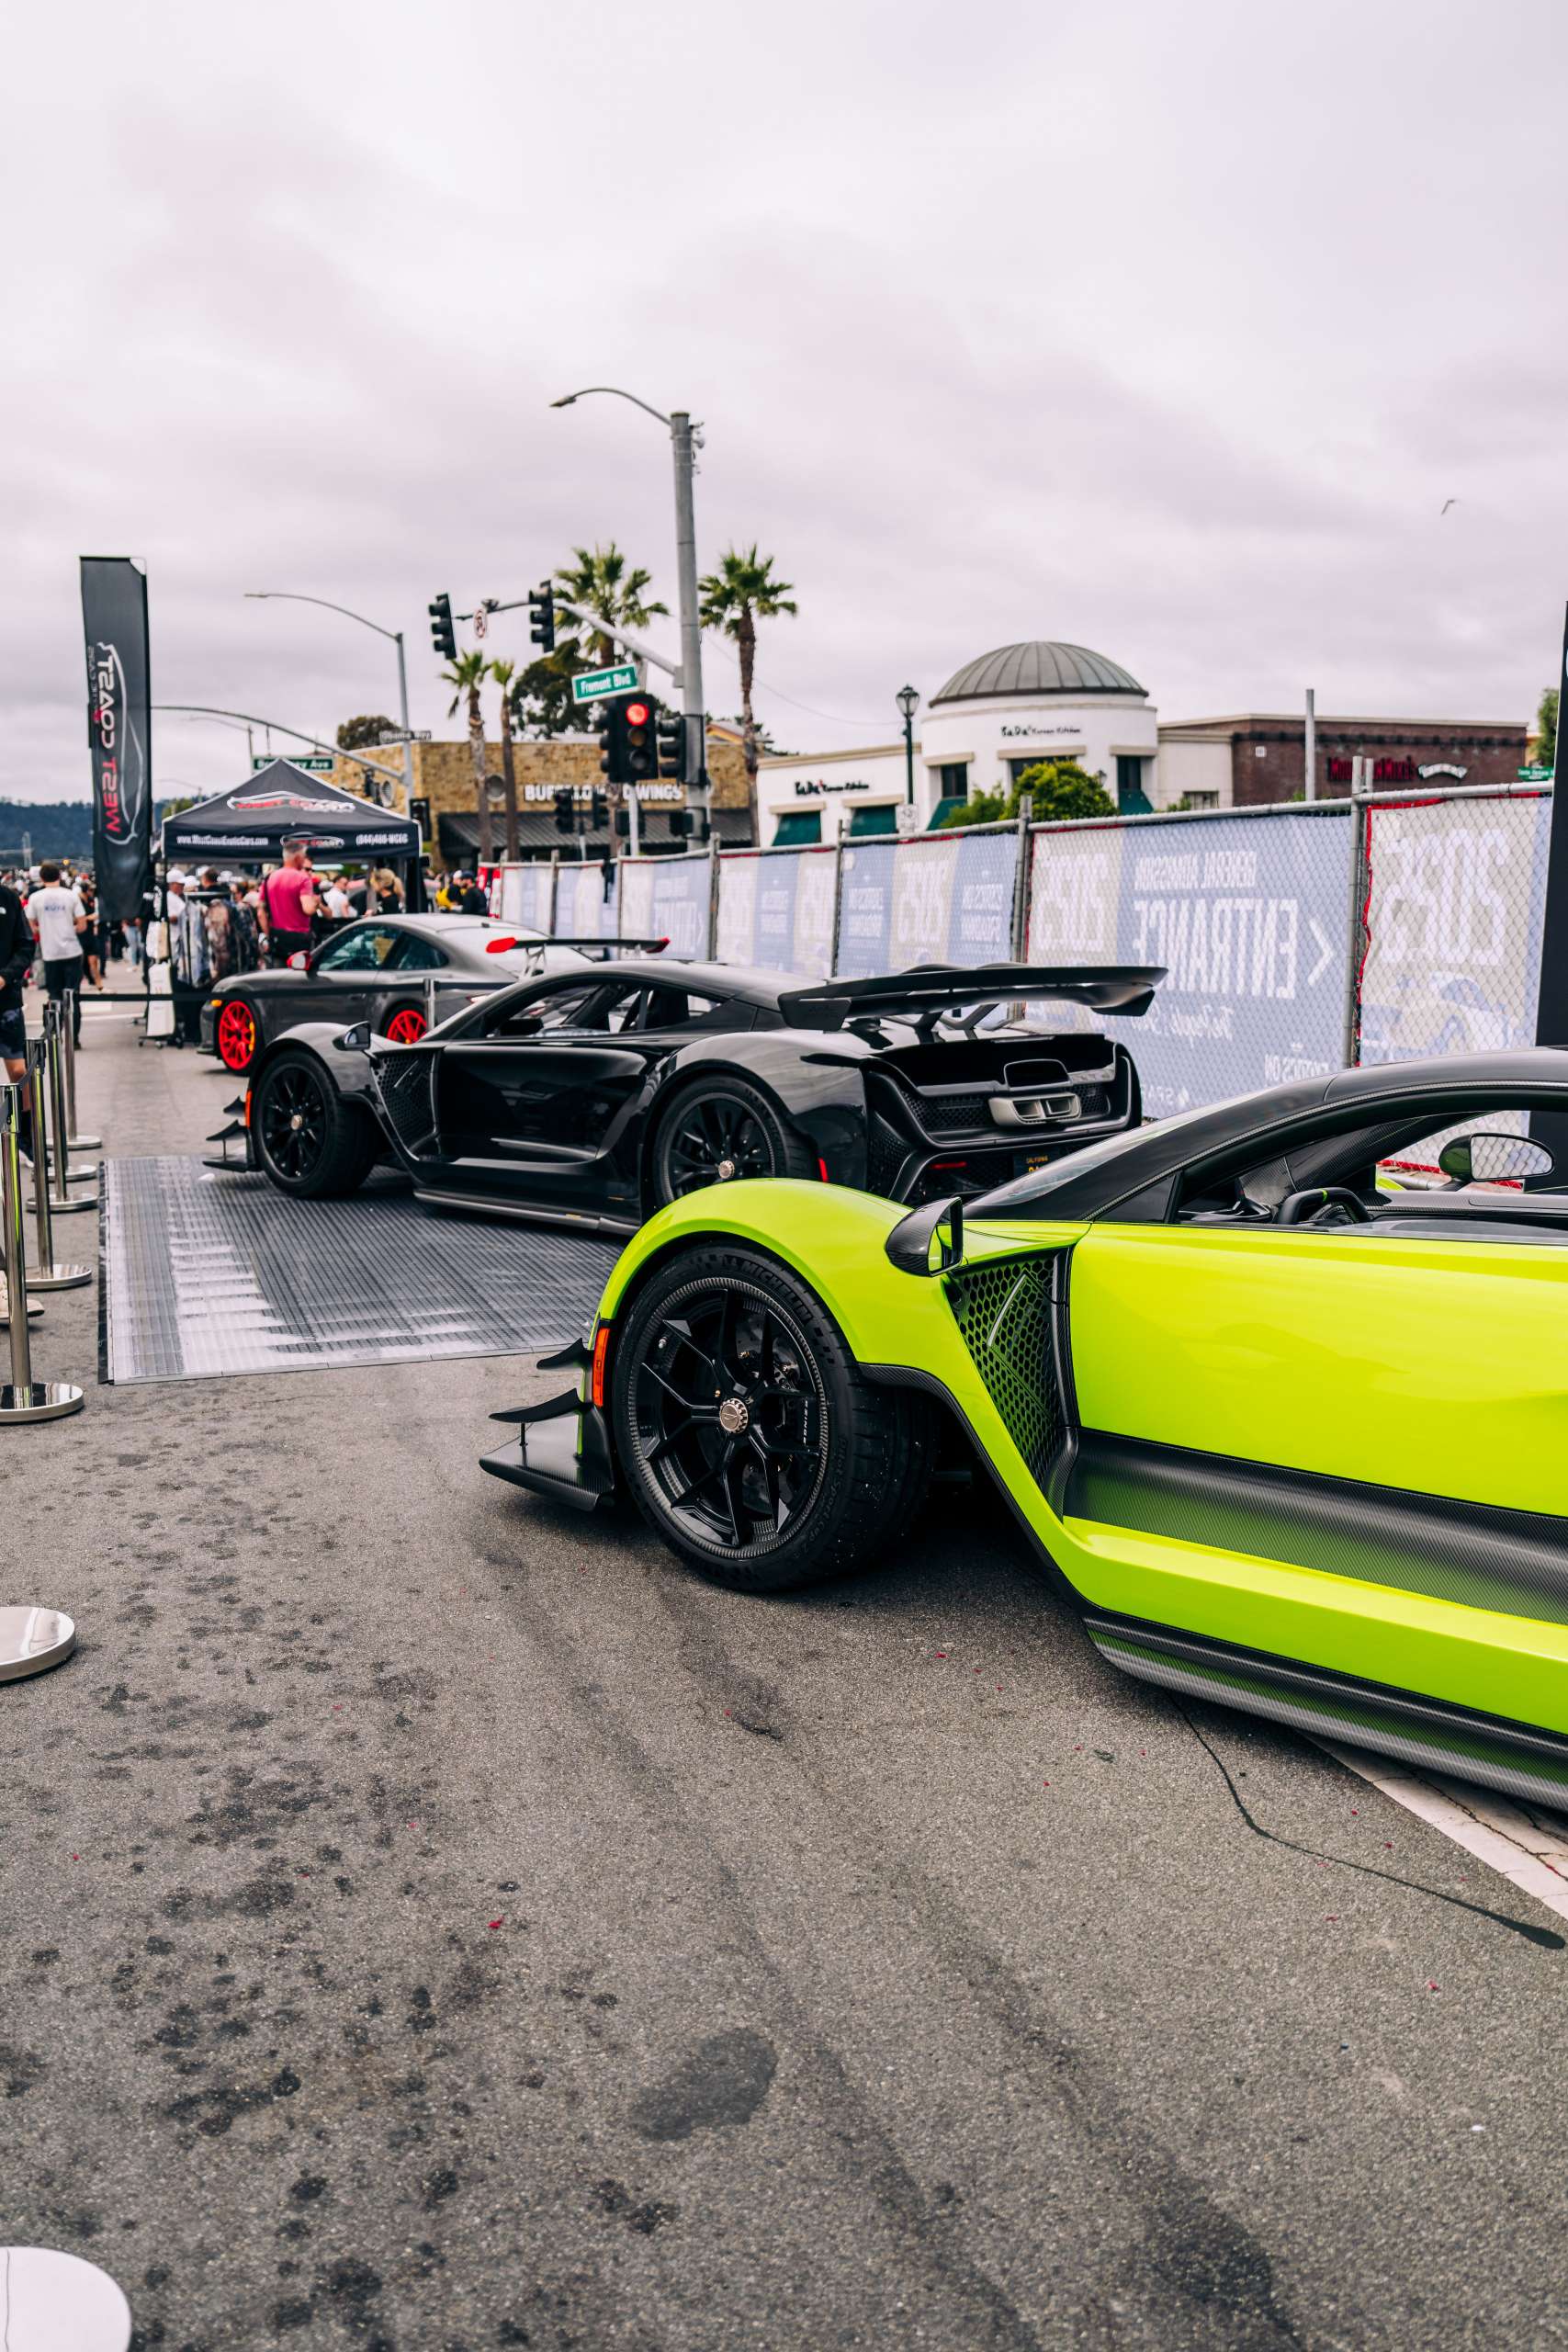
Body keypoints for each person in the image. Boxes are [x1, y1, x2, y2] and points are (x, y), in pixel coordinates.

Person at [26, 860, 87, 1046]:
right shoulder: (71, 896)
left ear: (42, 878)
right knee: (73, 997)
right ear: (59, 876)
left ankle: (55, 1038)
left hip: (50, 953)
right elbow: (82, 925)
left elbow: (30, 925)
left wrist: (43, 930)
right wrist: (69, 929)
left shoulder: (35, 898)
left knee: (54, 997)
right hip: (72, 951)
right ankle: (74, 1040)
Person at [0, 869, 35, 1159]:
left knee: (20, 1073)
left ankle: (26, 1137)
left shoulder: (8, 899)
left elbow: (25, 945)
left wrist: (5, 976)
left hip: (6, 1001)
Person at [258, 841, 319, 967]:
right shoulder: (303, 878)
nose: (304, 860)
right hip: (299, 941)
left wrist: (269, 934)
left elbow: (260, 913)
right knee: (299, 975)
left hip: (277, 938)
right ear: (297, 858)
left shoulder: (269, 878)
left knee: (278, 975)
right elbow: (308, 909)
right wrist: (316, 903)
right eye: (303, 857)